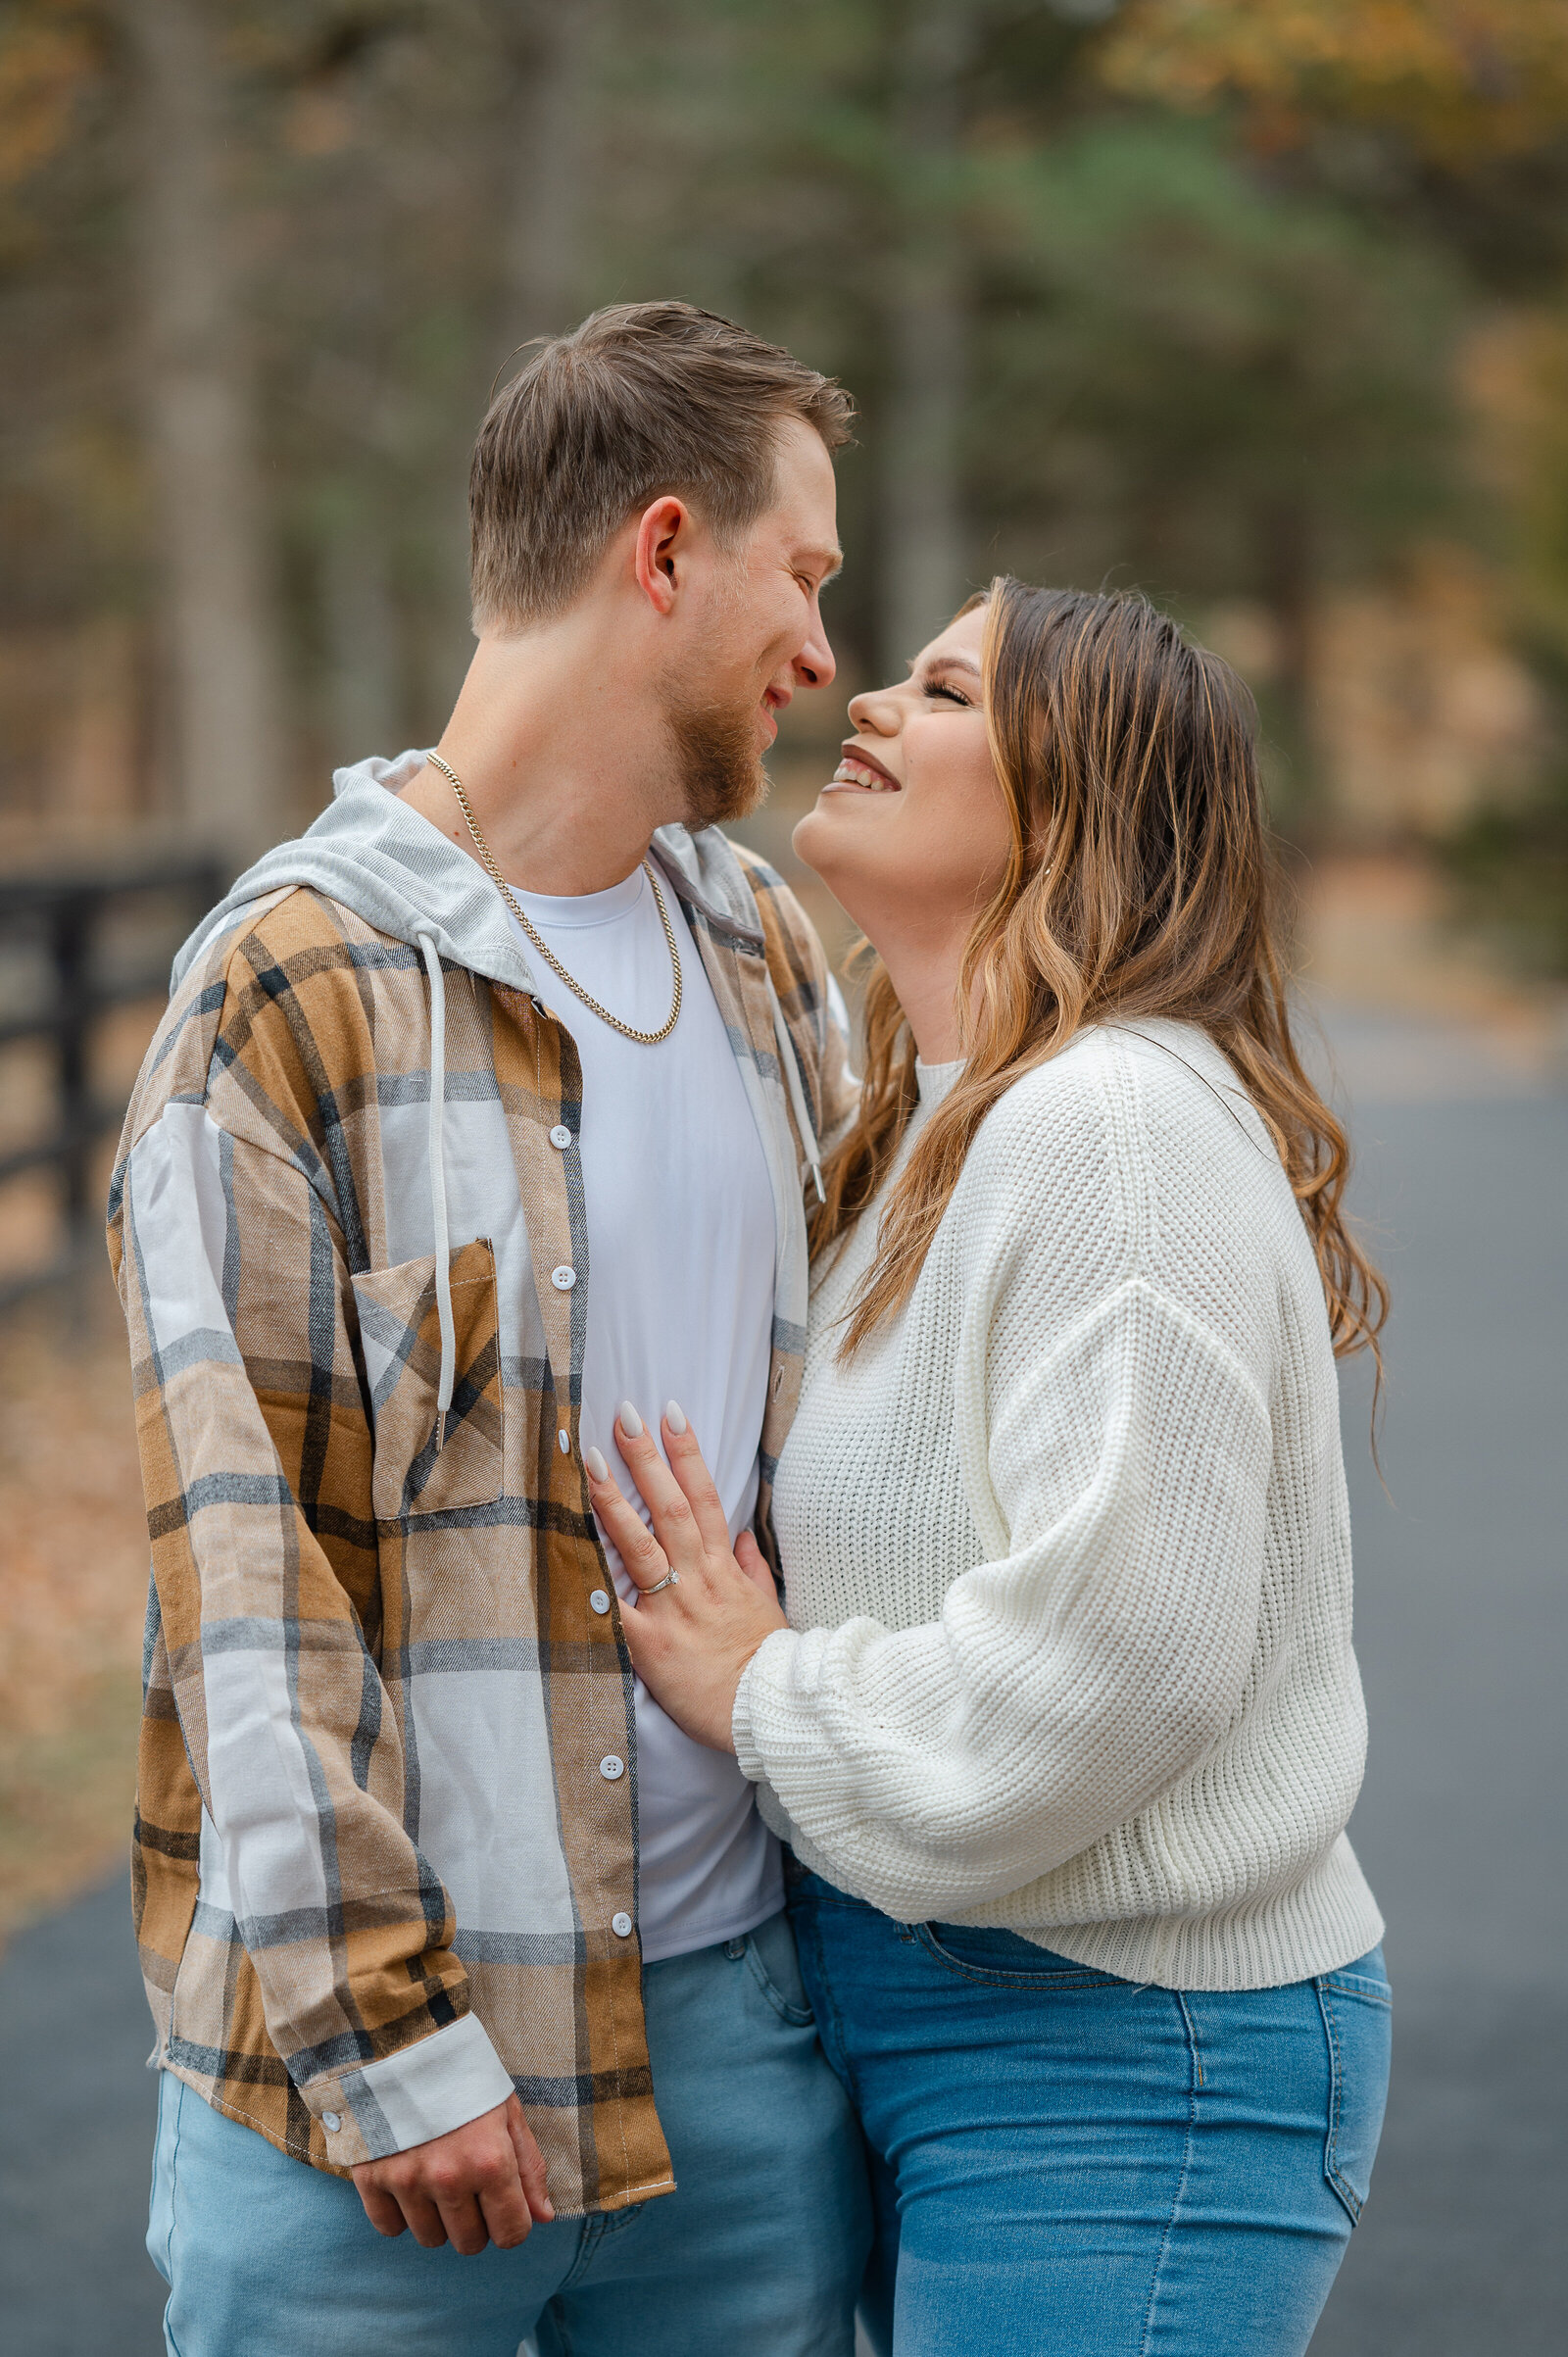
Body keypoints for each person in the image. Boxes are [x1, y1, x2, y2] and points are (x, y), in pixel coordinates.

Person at [108, 301, 872, 2357]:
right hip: (374, 2099)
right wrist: (384, 2034)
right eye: (798, 573)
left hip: (734, 2053)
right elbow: (241, 1569)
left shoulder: (761, 957)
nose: (822, 647)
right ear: (658, 550)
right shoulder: (290, 990)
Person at [589, 578, 1395, 2357]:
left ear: (1073, 795)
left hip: (1124, 2048)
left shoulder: (1108, 1131)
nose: (865, 698)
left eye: (944, 687)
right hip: (939, 2002)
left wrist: (763, 1690)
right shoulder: (930, 1126)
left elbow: (1120, 1657)